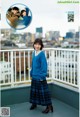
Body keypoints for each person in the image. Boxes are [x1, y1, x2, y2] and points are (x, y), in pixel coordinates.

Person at [30, 38, 53, 114]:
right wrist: (31, 72)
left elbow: (44, 66)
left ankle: (49, 106)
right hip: (34, 75)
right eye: (35, 44)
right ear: (34, 45)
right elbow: (33, 64)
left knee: (43, 93)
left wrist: (42, 76)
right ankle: (34, 103)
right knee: (35, 92)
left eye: (39, 44)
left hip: (40, 77)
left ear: (41, 46)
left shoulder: (42, 54)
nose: (37, 46)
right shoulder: (33, 53)